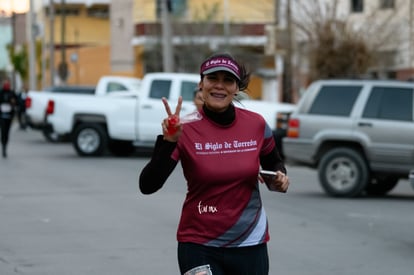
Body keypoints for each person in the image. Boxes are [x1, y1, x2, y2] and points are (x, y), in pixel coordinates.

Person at [139, 52, 289, 275]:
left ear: (236, 88)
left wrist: (279, 178)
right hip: (198, 244)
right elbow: (148, 185)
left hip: (249, 242)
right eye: (212, 78)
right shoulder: (183, 128)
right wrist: (169, 141)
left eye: (227, 80)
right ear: (201, 84)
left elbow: (274, 161)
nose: (219, 86)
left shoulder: (256, 124)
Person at [0, 79, 17, 158]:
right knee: (3, 131)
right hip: (2, 115)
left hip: (9, 116)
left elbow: (17, 102)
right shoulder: (1, 93)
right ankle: (3, 146)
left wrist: (13, 102)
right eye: (5, 83)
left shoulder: (12, 93)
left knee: (7, 132)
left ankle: (5, 146)